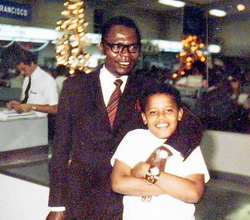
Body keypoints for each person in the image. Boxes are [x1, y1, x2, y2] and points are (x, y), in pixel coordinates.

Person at [47, 16, 203, 220]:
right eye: (117, 47)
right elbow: (60, 148)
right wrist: (57, 204)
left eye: (133, 48)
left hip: (129, 198)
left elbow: (192, 125)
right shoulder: (75, 87)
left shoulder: (149, 87)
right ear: (102, 47)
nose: (126, 55)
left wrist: (164, 151)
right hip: (82, 195)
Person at [111, 83, 210, 220]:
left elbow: (194, 194)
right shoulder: (134, 138)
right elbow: (118, 183)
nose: (161, 117)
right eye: (153, 112)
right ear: (144, 117)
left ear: (179, 113)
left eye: (168, 110)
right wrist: (175, 187)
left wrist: (146, 170)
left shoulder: (189, 145)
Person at [3, 46, 58, 116]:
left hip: (42, 122)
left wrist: (32, 107)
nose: (22, 73)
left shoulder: (46, 80)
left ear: (32, 64)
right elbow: (28, 102)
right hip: (28, 121)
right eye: (20, 70)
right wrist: (19, 105)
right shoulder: (27, 79)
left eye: (24, 69)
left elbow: (55, 108)